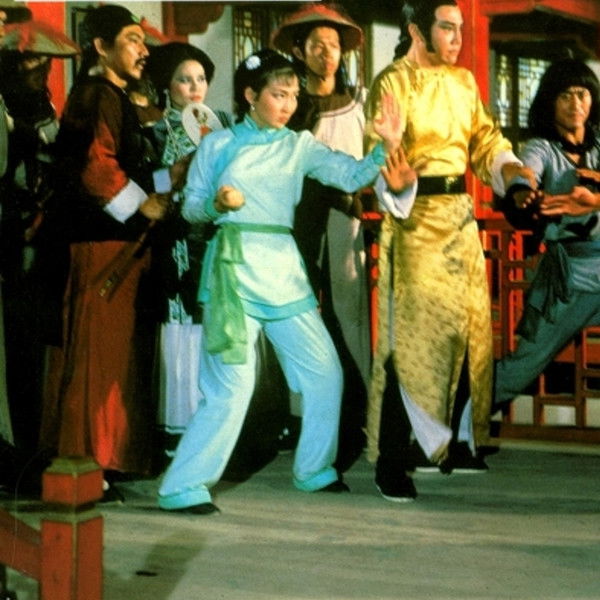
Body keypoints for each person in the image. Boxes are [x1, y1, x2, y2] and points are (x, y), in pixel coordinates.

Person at [157, 48, 402, 514]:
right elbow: (190, 208)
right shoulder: (218, 145)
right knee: (231, 386)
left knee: (325, 371)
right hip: (233, 269)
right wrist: (217, 206)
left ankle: (314, 469)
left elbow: (350, 175)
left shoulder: (299, 145)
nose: (288, 104)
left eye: (292, 95)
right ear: (251, 95)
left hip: (283, 270)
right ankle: (183, 486)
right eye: (278, 94)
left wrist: (383, 148)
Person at [363, 0, 535, 501]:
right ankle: (392, 459)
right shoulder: (393, 82)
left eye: (460, 28)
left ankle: (453, 444)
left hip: (459, 218)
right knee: (414, 341)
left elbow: (484, 139)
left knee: (470, 329)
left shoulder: (462, 82)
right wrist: (396, 182)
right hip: (414, 221)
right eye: (446, 28)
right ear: (417, 30)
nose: (457, 38)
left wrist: (512, 174)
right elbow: (380, 153)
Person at [38, 5, 175, 495]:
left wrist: (176, 177)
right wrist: (143, 206)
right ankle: (87, 462)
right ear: (101, 46)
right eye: (132, 39)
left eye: (143, 41)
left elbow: (140, 169)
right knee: (99, 355)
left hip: (121, 244)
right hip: (99, 246)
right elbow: (98, 167)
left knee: (115, 355)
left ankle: (105, 459)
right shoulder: (96, 95)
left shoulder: (117, 97)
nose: (143, 50)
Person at [271, 2, 370, 471]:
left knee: (350, 312)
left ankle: (363, 411)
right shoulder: (291, 107)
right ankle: (298, 414)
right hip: (299, 218)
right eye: (316, 45)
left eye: (333, 45)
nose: (326, 53)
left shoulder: (357, 104)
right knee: (299, 312)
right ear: (299, 51)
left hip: (346, 217)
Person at [494, 58, 600, 411]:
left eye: (582, 94)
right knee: (523, 366)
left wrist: (593, 200)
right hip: (571, 276)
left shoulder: (598, 145)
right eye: (565, 96)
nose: (575, 104)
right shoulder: (542, 148)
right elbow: (525, 172)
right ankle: (459, 421)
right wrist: (522, 191)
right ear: (550, 102)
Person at [144, 42, 231, 464]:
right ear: (168, 86)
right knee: (181, 322)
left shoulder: (224, 125)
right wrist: (175, 174)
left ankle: (219, 426)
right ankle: (179, 423)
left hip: (216, 233)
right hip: (177, 237)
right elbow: (150, 184)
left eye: (200, 79)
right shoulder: (156, 131)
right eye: (184, 79)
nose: (194, 87)